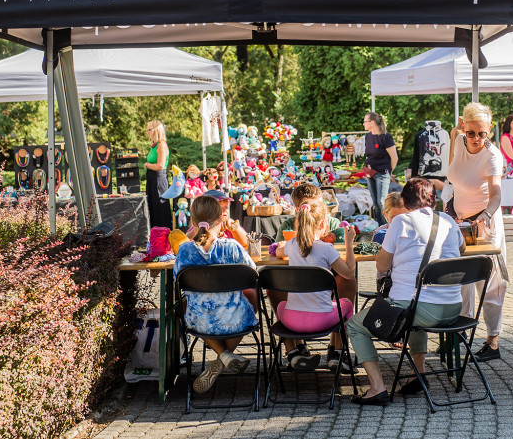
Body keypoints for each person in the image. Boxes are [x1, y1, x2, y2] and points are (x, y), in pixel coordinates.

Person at [346, 178, 465, 405]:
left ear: (403, 200)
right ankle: (416, 376)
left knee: (354, 325)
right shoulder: (448, 220)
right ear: (433, 199)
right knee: (412, 307)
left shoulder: (400, 222)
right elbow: (462, 249)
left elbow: (381, 266)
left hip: (420, 308)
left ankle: (377, 388)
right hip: (453, 310)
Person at [174, 195, 257, 393]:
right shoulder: (232, 247)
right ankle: (225, 356)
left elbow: (177, 278)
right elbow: (253, 275)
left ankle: (223, 357)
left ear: (192, 221)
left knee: (187, 309)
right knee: (250, 302)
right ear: (221, 219)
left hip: (199, 322)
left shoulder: (185, 250)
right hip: (235, 321)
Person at [446, 101, 506, 362]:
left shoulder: (492, 156)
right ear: (462, 127)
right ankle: (460, 334)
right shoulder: (456, 139)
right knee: (461, 281)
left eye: (482, 133)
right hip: (459, 222)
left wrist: (485, 215)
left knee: (489, 284)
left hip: (484, 224)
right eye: (471, 133)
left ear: (489, 130)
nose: (476, 139)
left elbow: (496, 196)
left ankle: (493, 341)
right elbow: (454, 175)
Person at [275, 200, 357, 371]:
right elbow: (349, 273)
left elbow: (277, 252)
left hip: (292, 321)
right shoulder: (326, 249)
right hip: (322, 320)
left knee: (281, 305)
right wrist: (349, 243)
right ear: (323, 223)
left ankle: (292, 352)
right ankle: (338, 352)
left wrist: (281, 246)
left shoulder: (292, 245)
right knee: (346, 305)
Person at [363, 112, 398, 225]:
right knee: (375, 203)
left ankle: (388, 226)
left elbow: (394, 157)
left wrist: (389, 173)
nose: (363, 124)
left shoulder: (385, 137)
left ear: (372, 123)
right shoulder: (368, 136)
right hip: (370, 173)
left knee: (381, 202)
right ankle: (380, 226)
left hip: (382, 173)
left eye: (365, 121)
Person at [145, 120, 172, 228]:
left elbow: (160, 166)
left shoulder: (161, 144)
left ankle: (163, 235)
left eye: (149, 130)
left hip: (158, 180)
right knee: (152, 209)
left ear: (156, 131)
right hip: (152, 180)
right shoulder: (153, 145)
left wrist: (147, 165)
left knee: (160, 210)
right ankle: (155, 235)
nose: (148, 133)